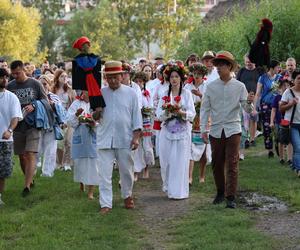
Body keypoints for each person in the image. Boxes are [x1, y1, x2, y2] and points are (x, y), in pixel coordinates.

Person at [200, 51, 253, 209]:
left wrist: (249, 103)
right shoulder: (211, 87)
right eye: (217, 65)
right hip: (216, 129)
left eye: (222, 64)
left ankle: (230, 197)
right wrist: (204, 129)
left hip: (233, 128)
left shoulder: (239, 86)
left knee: (233, 162)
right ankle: (220, 192)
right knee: (216, 163)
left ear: (230, 66)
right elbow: (204, 109)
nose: (218, 67)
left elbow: (247, 109)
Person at [97, 61, 142, 214]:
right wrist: (96, 111)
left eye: (115, 77)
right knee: (104, 173)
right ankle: (105, 203)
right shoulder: (100, 93)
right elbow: (95, 116)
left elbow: (136, 117)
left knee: (126, 171)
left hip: (125, 138)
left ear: (122, 76)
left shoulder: (131, 93)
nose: (112, 80)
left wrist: (136, 137)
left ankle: (127, 195)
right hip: (105, 138)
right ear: (105, 78)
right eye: (109, 78)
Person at [7, 60, 48, 197]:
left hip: (32, 125)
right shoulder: (10, 86)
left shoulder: (35, 84)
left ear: (23, 70)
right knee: (21, 157)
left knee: (30, 154)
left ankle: (26, 186)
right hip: (17, 126)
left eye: (17, 73)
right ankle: (30, 179)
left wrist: (34, 105)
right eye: (13, 74)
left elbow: (45, 100)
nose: (15, 76)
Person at [157, 64, 196, 199]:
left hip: (182, 132)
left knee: (180, 161)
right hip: (167, 132)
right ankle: (168, 188)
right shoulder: (164, 95)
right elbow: (158, 114)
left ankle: (179, 191)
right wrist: (168, 113)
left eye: (176, 76)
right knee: (167, 161)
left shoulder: (187, 94)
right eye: (172, 77)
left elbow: (192, 114)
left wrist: (181, 112)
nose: (174, 79)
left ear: (181, 78)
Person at [67, 91, 100, 200]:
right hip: (80, 136)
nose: (86, 94)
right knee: (80, 163)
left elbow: (103, 120)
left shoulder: (97, 104)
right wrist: (76, 115)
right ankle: (82, 182)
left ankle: (91, 191)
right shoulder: (76, 103)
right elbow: (70, 121)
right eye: (85, 92)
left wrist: (94, 124)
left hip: (93, 137)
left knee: (93, 164)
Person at [184, 63, 211, 185]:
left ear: (203, 75)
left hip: (204, 119)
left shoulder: (207, 86)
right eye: (194, 74)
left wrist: (200, 95)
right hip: (192, 120)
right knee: (190, 148)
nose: (196, 76)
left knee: (204, 150)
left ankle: (201, 175)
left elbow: (211, 100)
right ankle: (189, 177)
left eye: (199, 74)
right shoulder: (187, 87)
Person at [0, 68, 23, 205]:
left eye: (6, 77)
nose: (4, 80)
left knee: (2, 171)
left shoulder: (11, 97)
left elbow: (15, 117)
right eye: (1, 77)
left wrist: (9, 130)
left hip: (5, 139)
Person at [253, 60, 281, 158]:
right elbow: (257, 93)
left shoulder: (279, 78)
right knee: (267, 127)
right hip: (265, 105)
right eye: (278, 67)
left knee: (278, 126)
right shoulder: (263, 78)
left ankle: (279, 145)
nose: (279, 69)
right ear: (272, 68)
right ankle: (270, 149)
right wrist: (254, 108)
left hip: (277, 105)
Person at [72, 36, 105, 114]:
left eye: (87, 45)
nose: (86, 47)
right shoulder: (96, 59)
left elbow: (76, 80)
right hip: (90, 89)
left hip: (86, 90)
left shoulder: (77, 60)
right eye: (85, 45)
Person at [236, 53, 264, 147]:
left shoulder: (259, 71)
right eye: (247, 62)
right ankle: (246, 138)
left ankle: (252, 139)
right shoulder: (242, 71)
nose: (249, 63)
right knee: (244, 119)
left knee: (254, 118)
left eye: (250, 62)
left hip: (256, 97)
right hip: (243, 98)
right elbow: (237, 83)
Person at [133, 71, 155, 179]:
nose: (138, 83)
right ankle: (136, 171)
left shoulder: (147, 93)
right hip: (136, 122)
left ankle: (146, 168)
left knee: (146, 146)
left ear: (144, 82)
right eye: (136, 81)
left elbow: (150, 107)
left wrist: (145, 111)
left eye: (140, 81)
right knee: (136, 148)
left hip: (145, 121)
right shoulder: (132, 92)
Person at [52, 69, 75, 171]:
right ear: (57, 78)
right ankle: (59, 163)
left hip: (68, 117)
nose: (65, 78)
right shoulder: (52, 90)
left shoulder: (70, 90)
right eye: (62, 76)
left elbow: (74, 104)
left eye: (66, 76)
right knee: (59, 142)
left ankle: (67, 163)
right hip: (57, 118)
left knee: (68, 141)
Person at [280, 70, 300, 176]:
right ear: (293, 80)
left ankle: (295, 165)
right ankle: (298, 168)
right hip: (292, 125)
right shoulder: (288, 92)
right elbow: (281, 108)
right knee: (298, 147)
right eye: (299, 78)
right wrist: (291, 103)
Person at [270, 79, 292, 165]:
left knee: (290, 140)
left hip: (289, 121)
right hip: (279, 122)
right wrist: (271, 121)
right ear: (280, 87)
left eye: (288, 86)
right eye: (284, 86)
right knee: (280, 140)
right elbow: (273, 110)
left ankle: (290, 158)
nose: (286, 87)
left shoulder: (291, 97)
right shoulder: (277, 97)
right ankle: (281, 158)